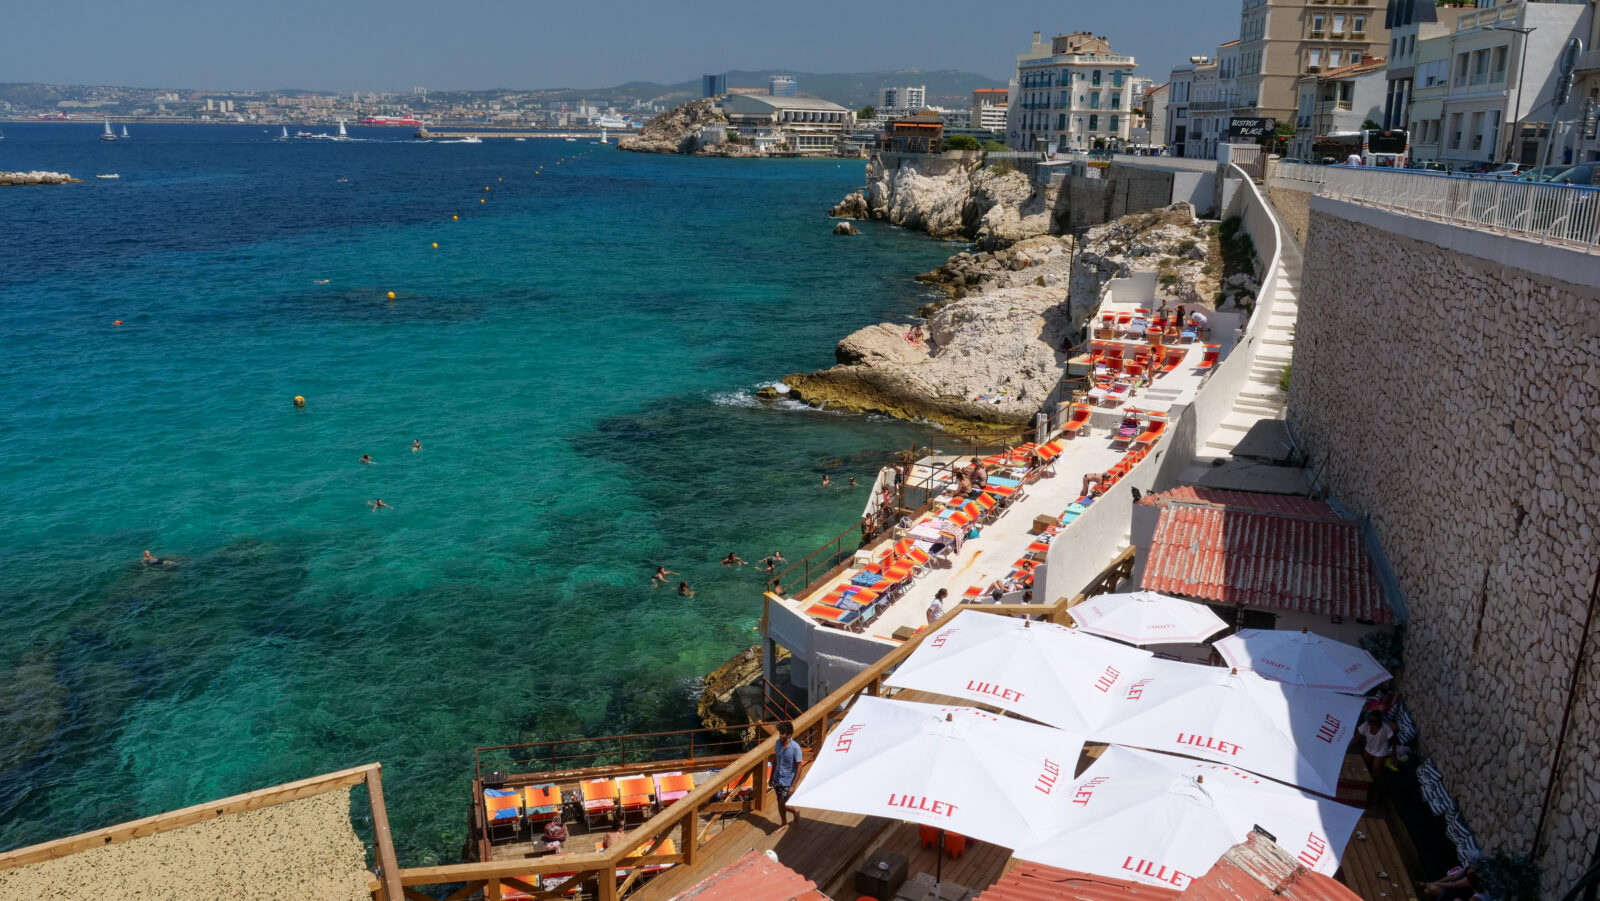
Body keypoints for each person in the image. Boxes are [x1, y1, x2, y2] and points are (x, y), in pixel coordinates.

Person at [771, 721, 804, 828]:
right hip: (777, 778)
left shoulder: (795, 748)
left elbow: (799, 766)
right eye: (780, 733)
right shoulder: (777, 743)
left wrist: (793, 786)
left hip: (787, 782)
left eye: (783, 733)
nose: (781, 735)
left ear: (789, 735)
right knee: (779, 801)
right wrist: (772, 776)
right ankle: (785, 821)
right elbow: (775, 759)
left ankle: (792, 813)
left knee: (782, 803)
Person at [1355, 709, 1396, 775]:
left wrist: (1394, 753)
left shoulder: (1385, 728)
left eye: (1375, 721)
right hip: (1369, 749)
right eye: (1371, 721)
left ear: (1380, 721)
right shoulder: (1365, 725)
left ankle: (1377, 784)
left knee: (1376, 770)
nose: (1373, 723)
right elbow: (1356, 738)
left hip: (1381, 751)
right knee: (1365, 768)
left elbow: (1393, 738)